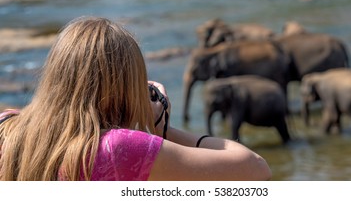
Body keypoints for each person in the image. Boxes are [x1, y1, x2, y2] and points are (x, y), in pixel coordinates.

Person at [0, 16, 271, 181]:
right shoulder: (118, 149)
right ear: (125, 87)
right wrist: (161, 129)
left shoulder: (6, 127)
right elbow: (255, 169)